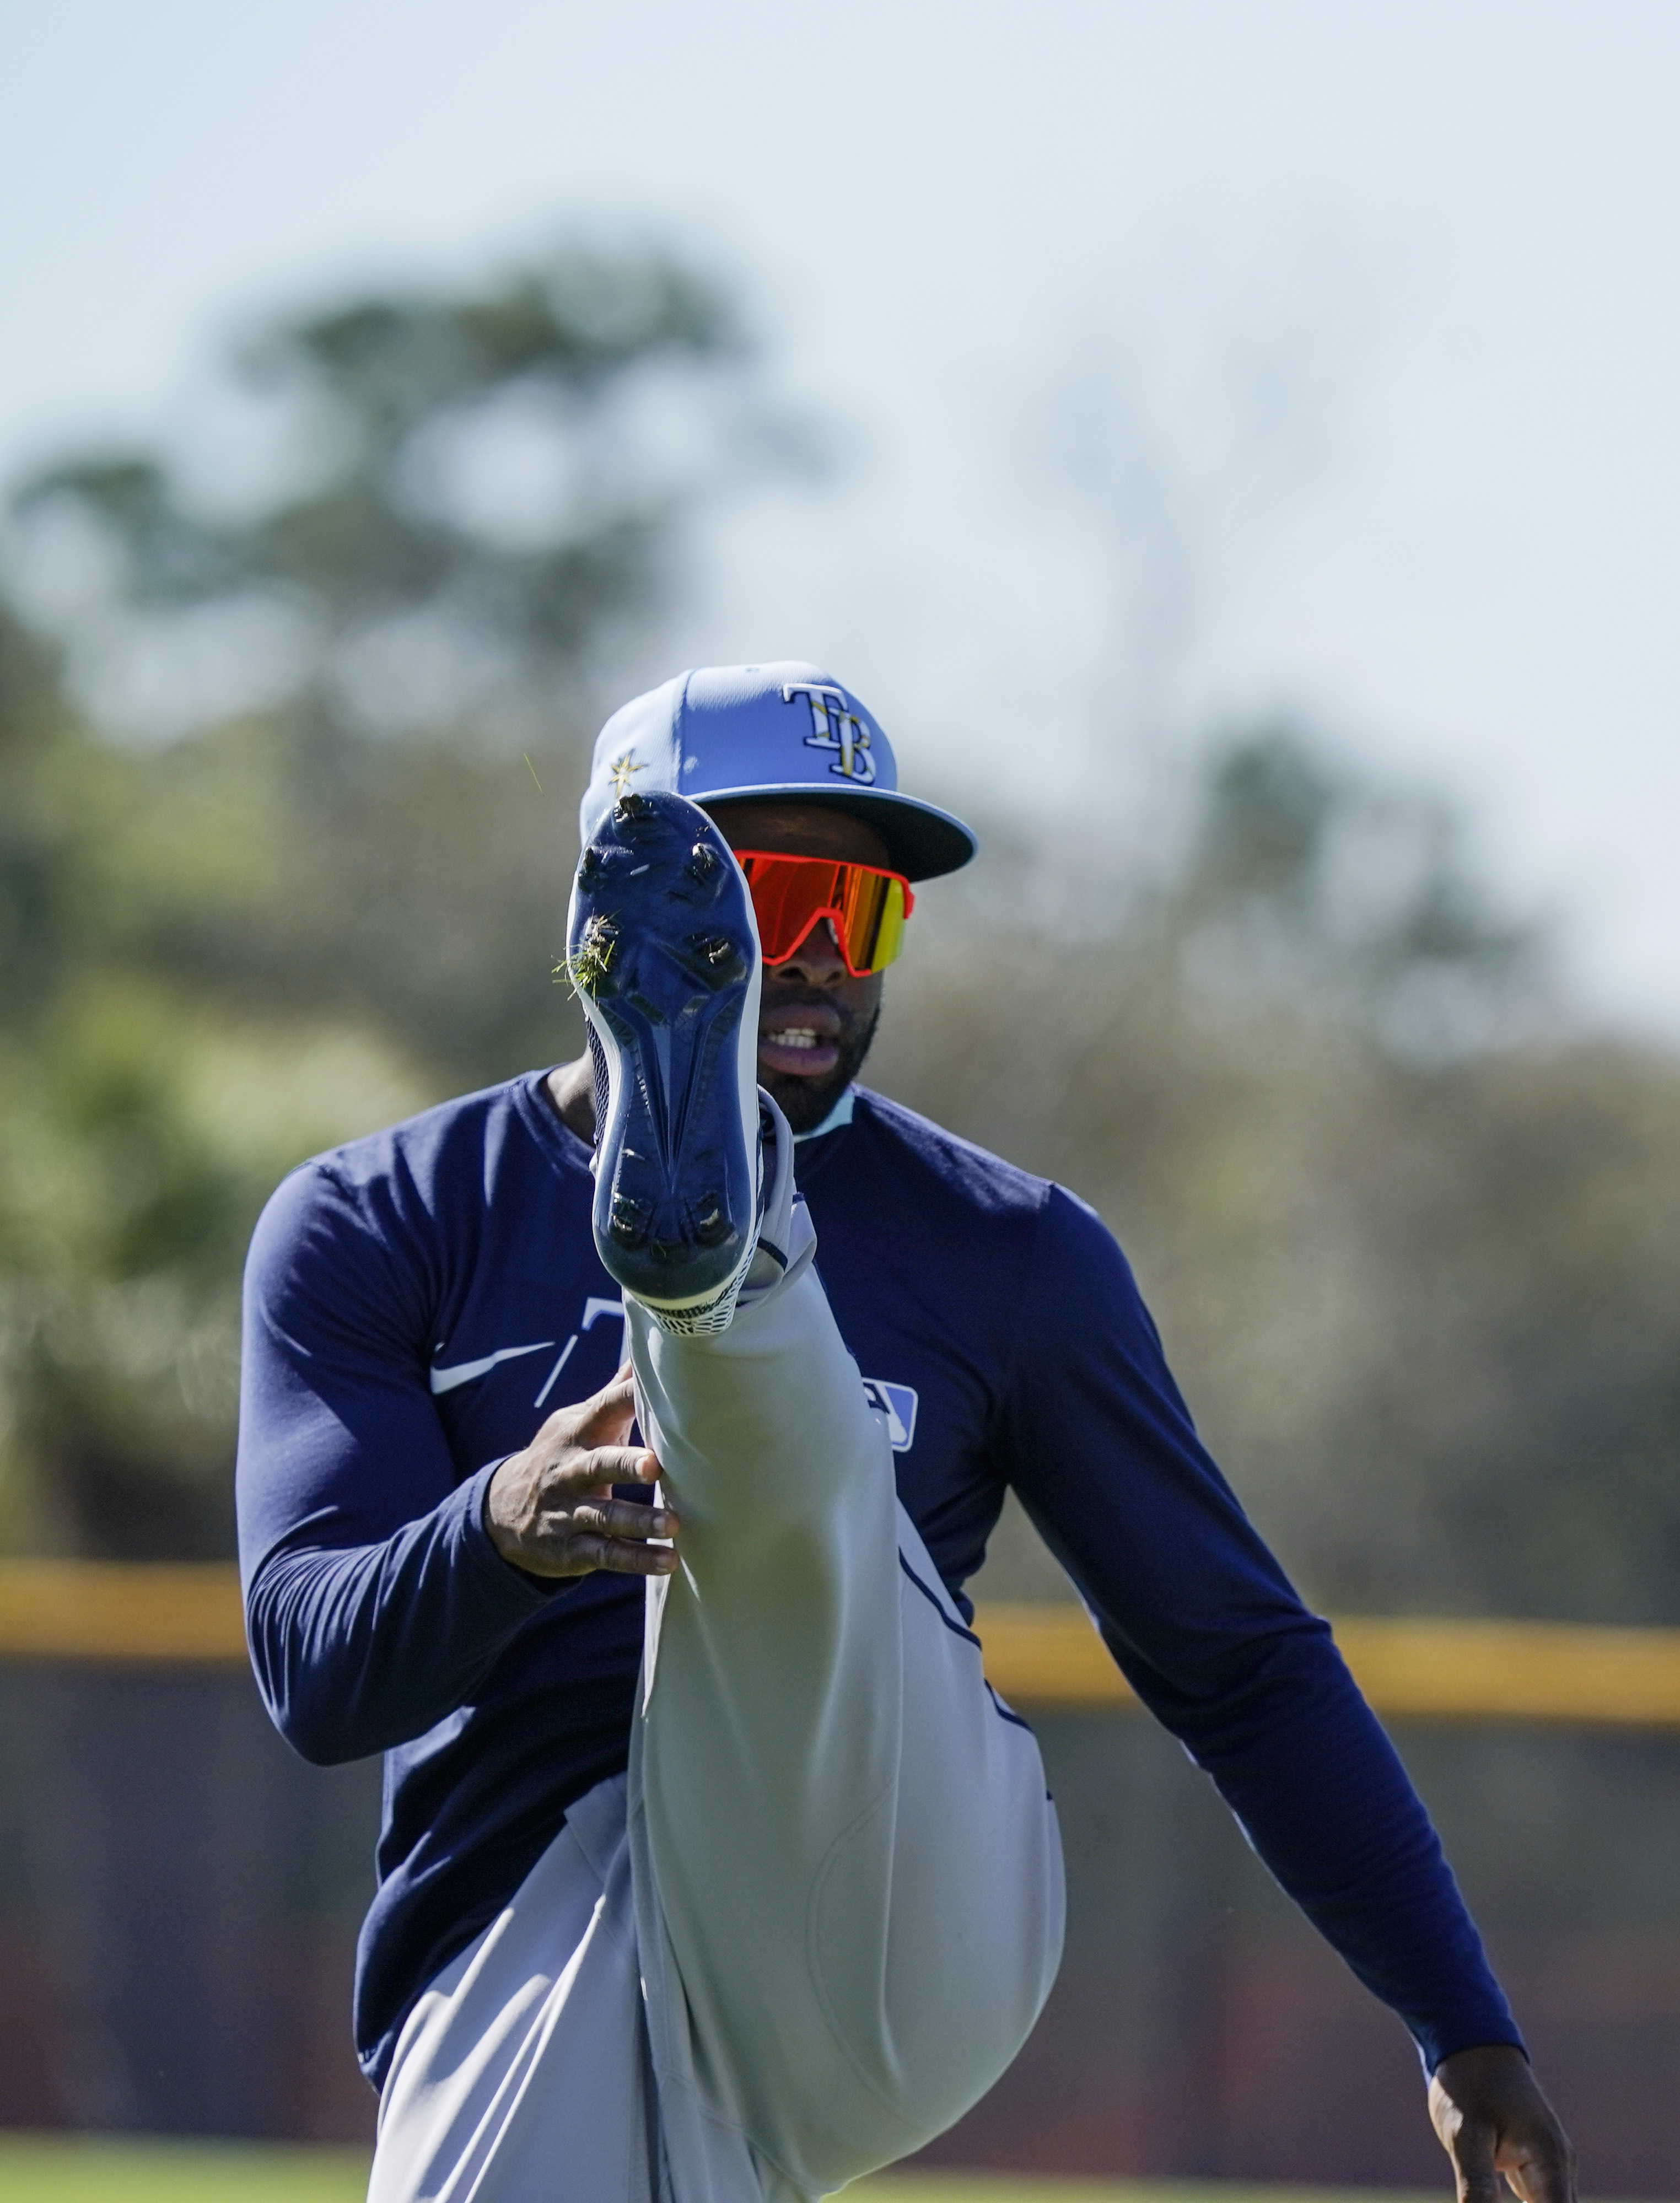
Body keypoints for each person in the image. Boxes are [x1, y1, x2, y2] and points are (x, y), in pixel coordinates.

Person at [236, 664, 1575, 2202]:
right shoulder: (380, 1220)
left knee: (779, 1477)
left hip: (863, 1905)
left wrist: (1462, 2032)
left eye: (862, 914)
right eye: (773, 898)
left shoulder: (1008, 1254)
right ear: (601, 921)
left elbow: (1240, 1661)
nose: (817, 959)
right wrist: (498, 1530)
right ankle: (719, 1257)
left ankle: (726, 1269)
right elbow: (319, 1673)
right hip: (526, 1926)